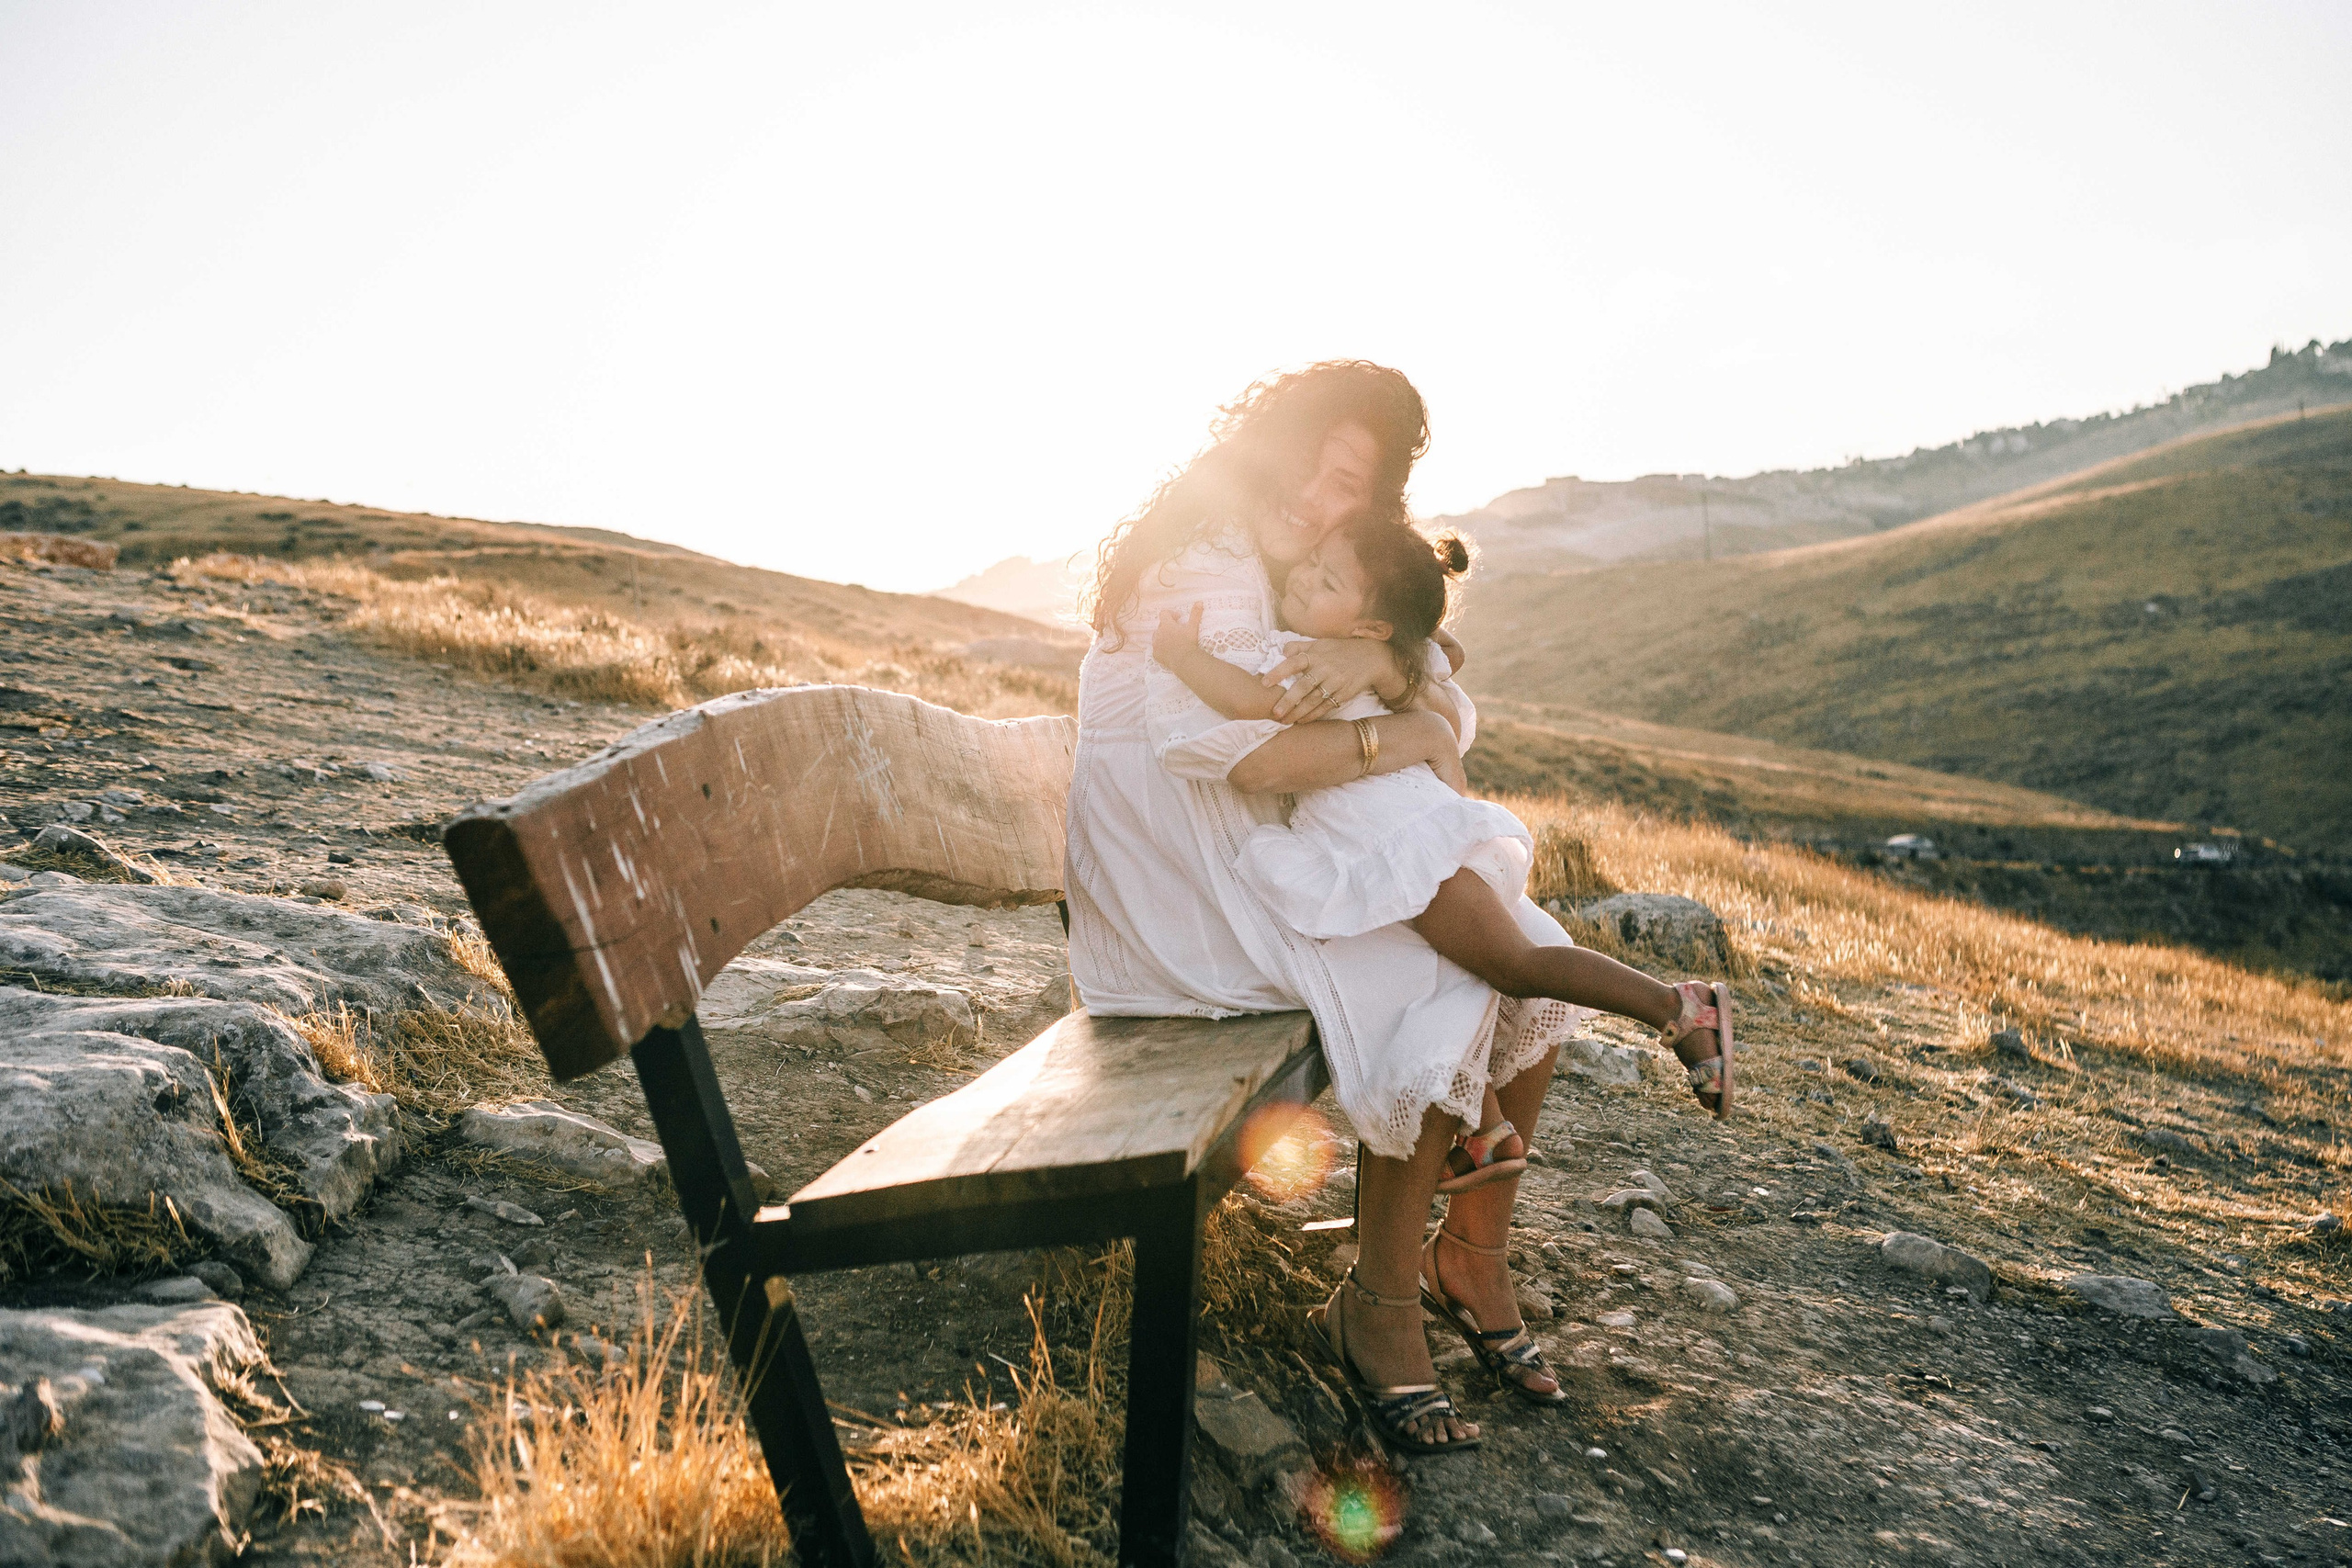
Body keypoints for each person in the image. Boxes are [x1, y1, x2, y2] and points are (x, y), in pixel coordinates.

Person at [1068, 363, 1724, 1451]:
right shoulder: (1201, 567)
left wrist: (1378, 652)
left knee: (1526, 941)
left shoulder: (1305, 573)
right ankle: (1376, 1307)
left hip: (1246, 856)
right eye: (1313, 468)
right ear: (1266, 446)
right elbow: (1249, 756)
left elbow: (1442, 694)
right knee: (1444, 971)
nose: (1318, 502)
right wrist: (1400, 728)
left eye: (1348, 492)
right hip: (1180, 895)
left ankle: (1467, 1256)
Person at [1149, 513, 1737, 1187]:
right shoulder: (1370, 652)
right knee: (1431, 975)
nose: (1305, 578)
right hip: (1387, 837)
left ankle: (1679, 1006)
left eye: (1328, 580)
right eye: (1312, 562)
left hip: (1403, 838)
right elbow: (1445, 652)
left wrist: (1181, 656)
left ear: (1372, 626)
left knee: (1512, 965)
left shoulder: (1314, 660)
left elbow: (1254, 699)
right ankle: (1487, 1130)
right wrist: (1392, 648)